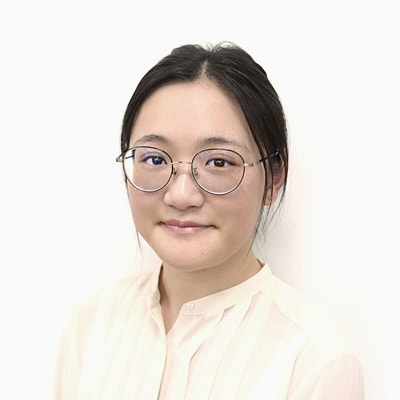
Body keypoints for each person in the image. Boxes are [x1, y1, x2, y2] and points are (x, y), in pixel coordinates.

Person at [54, 42, 364, 399]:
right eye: (154, 159)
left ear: (274, 179)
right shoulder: (90, 326)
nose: (181, 195)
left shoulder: (313, 362)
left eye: (219, 162)